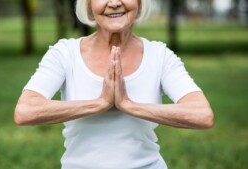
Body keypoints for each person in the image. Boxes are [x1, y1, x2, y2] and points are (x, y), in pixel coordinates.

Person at [14, 0, 214, 168]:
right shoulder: (65, 54)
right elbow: (25, 111)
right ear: (89, 3)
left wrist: (128, 105)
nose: (115, 3)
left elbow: (202, 115)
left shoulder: (159, 56)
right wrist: (99, 103)